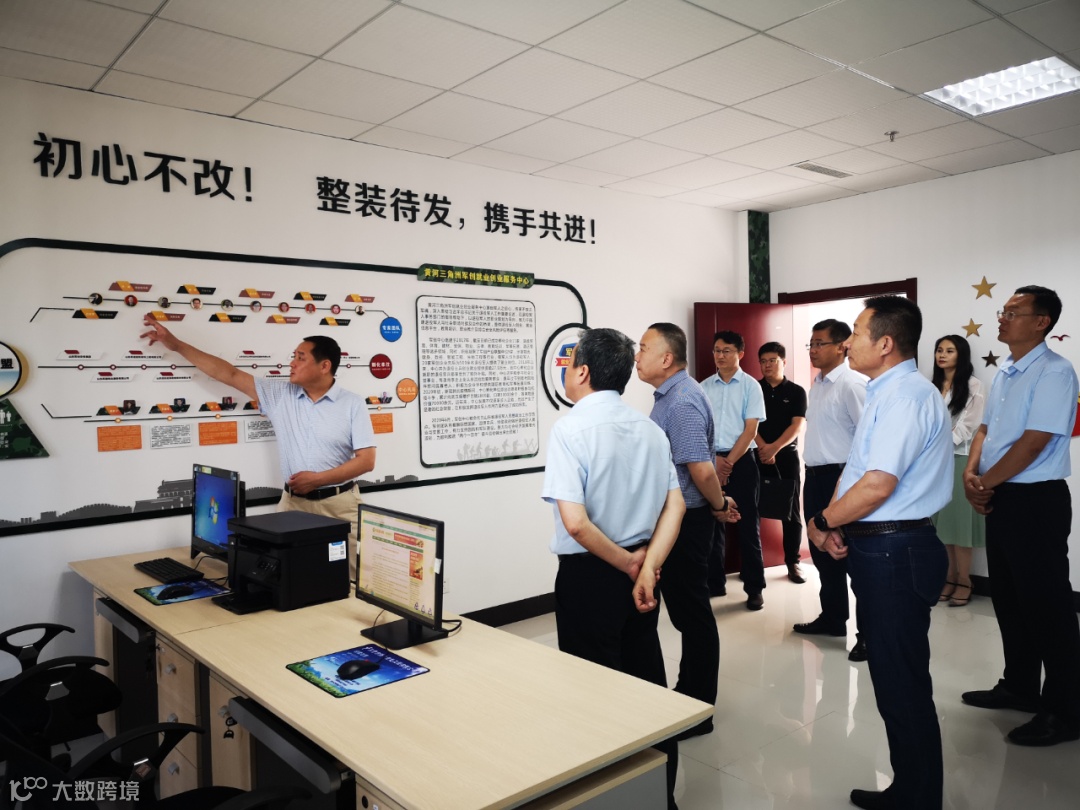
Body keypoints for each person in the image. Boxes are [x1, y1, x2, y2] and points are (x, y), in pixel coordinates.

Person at [807, 296, 951, 810]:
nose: (848, 342)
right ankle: (912, 788)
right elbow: (858, 471)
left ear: (885, 343)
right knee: (893, 679)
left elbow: (877, 485)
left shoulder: (905, 397)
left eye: (857, 332)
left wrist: (824, 522)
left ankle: (917, 796)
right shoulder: (885, 392)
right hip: (881, 545)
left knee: (901, 681)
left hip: (896, 550)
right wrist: (835, 520)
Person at [541, 327, 687, 809]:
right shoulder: (649, 428)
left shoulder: (570, 429)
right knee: (648, 686)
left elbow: (576, 524)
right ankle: (661, 797)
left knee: (593, 696)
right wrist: (646, 569)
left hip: (591, 576)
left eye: (569, 364)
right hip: (644, 573)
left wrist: (628, 565)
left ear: (582, 372)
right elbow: (675, 506)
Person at [141, 315, 376, 576]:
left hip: (339, 505)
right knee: (291, 577)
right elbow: (228, 373)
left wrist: (317, 480)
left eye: (300, 358)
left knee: (350, 578)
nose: (292, 363)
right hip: (293, 505)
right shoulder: (279, 395)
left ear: (324, 366)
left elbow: (366, 461)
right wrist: (175, 345)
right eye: (294, 356)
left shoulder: (352, 404)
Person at [961, 285, 1080, 747]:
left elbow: (1034, 442)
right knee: (1010, 599)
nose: (1002, 318)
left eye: (1013, 312)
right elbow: (986, 429)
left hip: (1035, 501)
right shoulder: (1007, 371)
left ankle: (1065, 710)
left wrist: (985, 483)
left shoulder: (1055, 372)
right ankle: (1020, 686)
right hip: (1001, 495)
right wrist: (972, 472)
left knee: (1048, 606)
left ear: (1041, 322)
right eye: (1003, 310)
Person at [636, 322, 738, 740]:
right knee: (687, 614)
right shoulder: (673, 396)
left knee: (692, 616)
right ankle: (689, 696)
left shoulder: (680, 402)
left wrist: (719, 506)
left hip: (688, 521)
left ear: (666, 358)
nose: (637, 356)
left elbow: (701, 469)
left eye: (643, 348)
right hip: (680, 518)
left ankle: (698, 709)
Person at [793, 319, 869, 662]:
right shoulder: (818, 383)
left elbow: (867, 440)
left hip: (843, 478)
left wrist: (850, 486)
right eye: (810, 343)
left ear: (842, 346)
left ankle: (868, 635)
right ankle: (834, 618)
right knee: (823, 552)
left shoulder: (852, 384)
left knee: (852, 556)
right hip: (815, 477)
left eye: (820, 343)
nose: (813, 349)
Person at [701, 331, 767, 610]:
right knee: (713, 524)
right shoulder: (703, 387)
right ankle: (715, 583)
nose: (720, 355)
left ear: (740, 353)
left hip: (742, 461)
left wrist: (727, 465)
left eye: (726, 350)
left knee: (748, 526)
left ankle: (755, 588)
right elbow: (701, 428)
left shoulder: (751, 386)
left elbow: (750, 430)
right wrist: (715, 463)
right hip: (710, 461)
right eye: (716, 350)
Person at [929, 334, 985, 607]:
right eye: (939, 350)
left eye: (949, 351)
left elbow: (968, 426)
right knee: (940, 524)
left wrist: (937, 443)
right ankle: (949, 576)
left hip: (960, 459)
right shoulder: (931, 386)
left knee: (960, 525)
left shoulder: (974, 386)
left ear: (960, 355)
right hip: (933, 462)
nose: (942, 355)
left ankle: (965, 580)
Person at [754, 342, 807, 584]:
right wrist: (763, 447)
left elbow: (797, 425)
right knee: (751, 509)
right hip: (756, 454)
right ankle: (752, 565)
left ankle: (793, 562)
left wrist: (774, 447)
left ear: (783, 362)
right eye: (763, 361)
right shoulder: (753, 388)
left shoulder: (796, 392)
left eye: (772, 360)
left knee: (791, 511)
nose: (767, 365)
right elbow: (747, 422)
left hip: (786, 457)